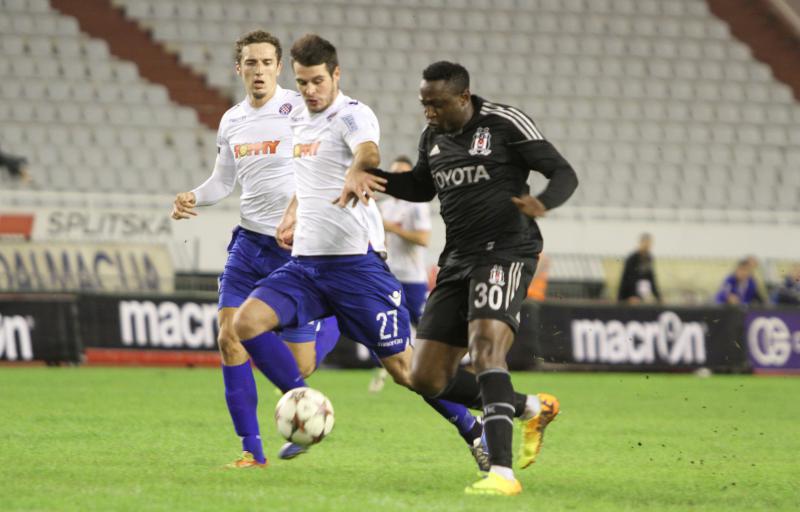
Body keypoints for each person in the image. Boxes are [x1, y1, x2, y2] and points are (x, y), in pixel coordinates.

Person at [232, 35, 489, 472]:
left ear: (336, 75)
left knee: (408, 373)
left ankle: (476, 427)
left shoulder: (352, 114)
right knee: (246, 322)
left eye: (317, 81)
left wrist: (357, 171)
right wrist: (293, 212)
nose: (310, 91)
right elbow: (307, 174)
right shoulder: (296, 115)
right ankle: (306, 402)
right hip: (307, 266)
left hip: (358, 268)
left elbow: (368, 151)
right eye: (302, 82)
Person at [340, 61, 578, 495]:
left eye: (437, 104)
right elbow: (420, 186)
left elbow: (564, 172)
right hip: (457, 261)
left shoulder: (504, 123)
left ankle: (501, 475)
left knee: (487, 350)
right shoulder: (433, 137)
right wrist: (370, 178)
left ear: (464, 98)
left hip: (506, 252)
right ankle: (529, 407)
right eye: (423, 104)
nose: (428, 112)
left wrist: (543, 201)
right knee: (424, 376)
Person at [170, 30, 335, 468]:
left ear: (278, 67)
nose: (258, 70)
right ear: (238, 68)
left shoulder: (300, 109)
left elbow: (326, 166)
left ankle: (328, 330)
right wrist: (193, 195)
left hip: (297, 248)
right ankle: (252, 450)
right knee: (228, 337)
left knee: (302, 365)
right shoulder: (232, 120)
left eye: (266, 63)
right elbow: (223, 182)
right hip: (248, 245)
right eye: (250, 63)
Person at [370, 155, 432, 392]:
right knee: (387, 323)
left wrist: (391, 228)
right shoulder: (385, 206)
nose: (397, 178)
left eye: (403, 173)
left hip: (413, 277)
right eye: (394, 172)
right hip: (390, 275)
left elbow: (423, 239)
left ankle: (454, 364)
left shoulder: (416, 205)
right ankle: (386, 369)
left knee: (424, 326)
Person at [618, 233, 661, 304]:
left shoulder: (649, 258)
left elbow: (651, 279)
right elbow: (628, 279)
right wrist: (632, 295)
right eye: (646, 243)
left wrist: (658, 297)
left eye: (649, 243)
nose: (647, 246)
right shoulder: (632, 259)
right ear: (641, 243)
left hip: (641, 296)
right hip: (628, 297)